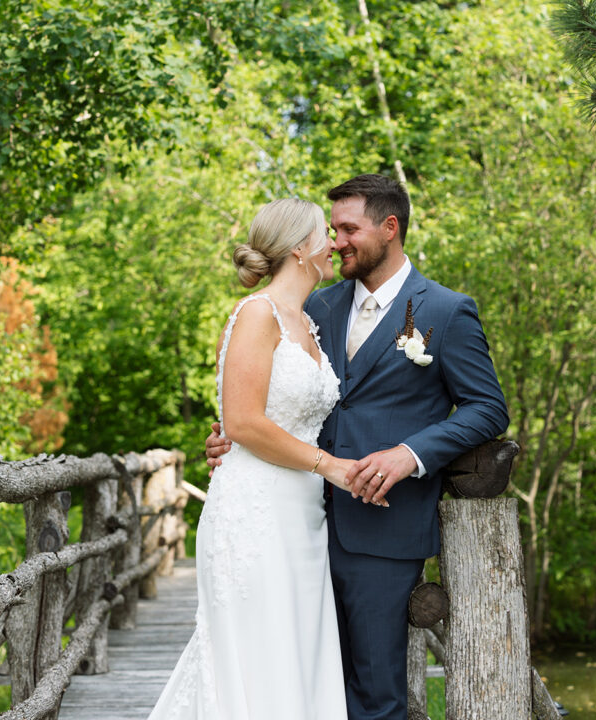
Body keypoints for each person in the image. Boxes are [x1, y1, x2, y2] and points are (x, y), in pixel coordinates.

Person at [208, 174, 510, 720]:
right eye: (332, 230)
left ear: (389, 228)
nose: (337, 240)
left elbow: (488, 408)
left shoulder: (446, 311)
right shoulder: (312, 308)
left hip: (382, 530)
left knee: (375, 693)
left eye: (349, 229)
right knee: (302, 685)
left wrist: (411, 454)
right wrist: (233, 437)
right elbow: (272, 400)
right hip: (291, 525)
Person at [148, 197, 382, 720]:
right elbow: (244, 422)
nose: (335, 243)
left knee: (293, 658)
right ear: (301, 249)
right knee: (253, 661)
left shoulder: (309, 321)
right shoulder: (257, 315)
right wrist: (331, 466)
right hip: (253, 515)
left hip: (302, 518)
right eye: (326, 234)